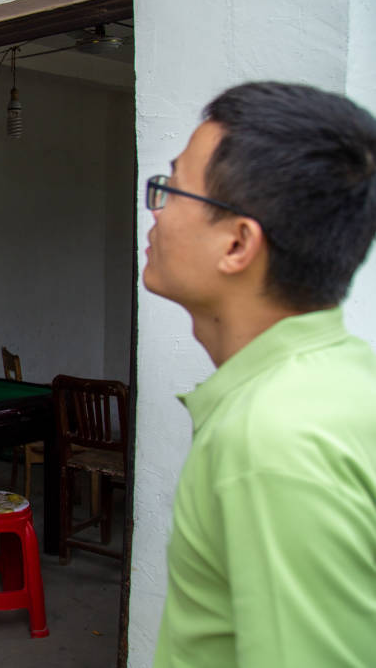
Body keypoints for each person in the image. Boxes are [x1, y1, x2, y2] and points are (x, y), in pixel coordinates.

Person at [145, 81, 376, 667]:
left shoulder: (273, 441)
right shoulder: (341, 380)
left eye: (171, 190)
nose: (155, 212)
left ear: (238, 243)